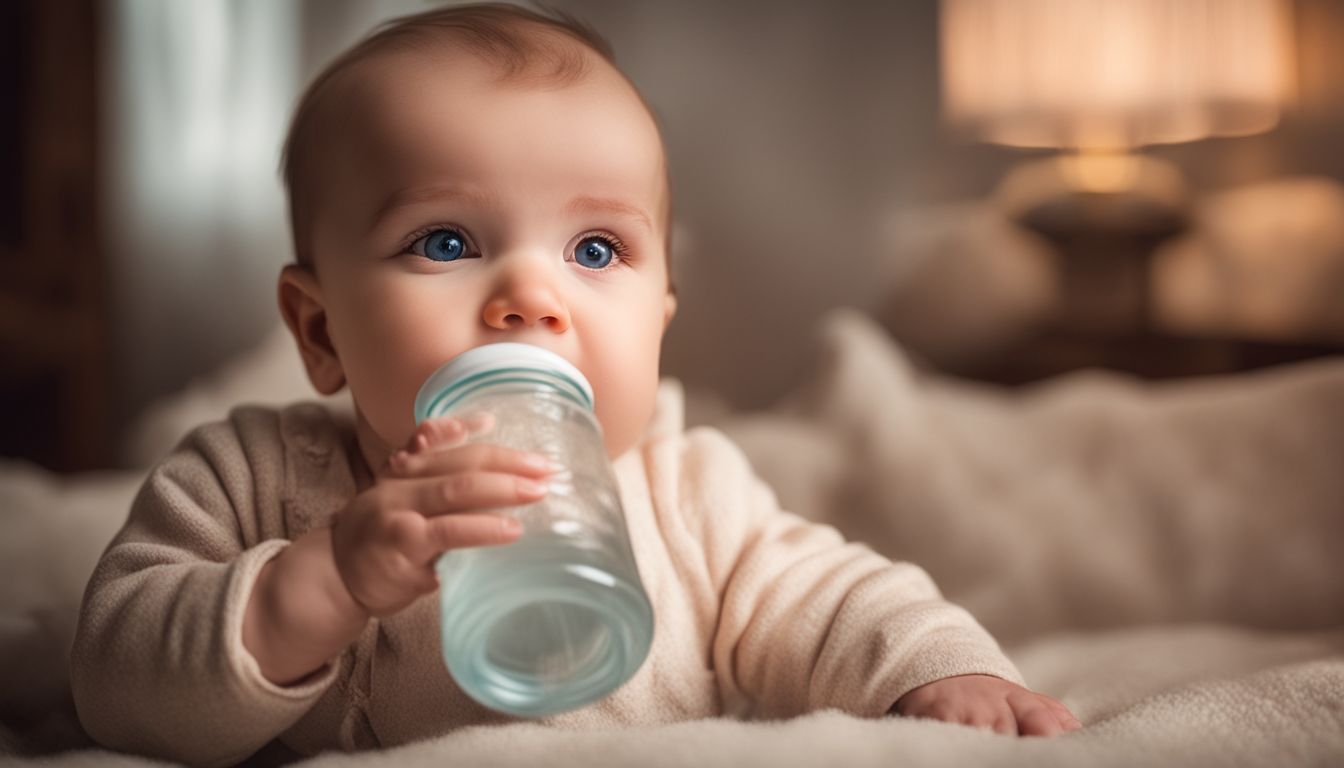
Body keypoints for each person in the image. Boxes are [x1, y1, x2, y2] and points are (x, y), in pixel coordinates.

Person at [70, 4, 1081, 765]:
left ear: (659, 324)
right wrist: (325, 579)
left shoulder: (691, 494)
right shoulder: (249, 476)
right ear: (321, 330)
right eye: (447, 240)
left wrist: (940, 670)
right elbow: (115, 680)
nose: (531, 297)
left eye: (596, 248)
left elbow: (834, 600)